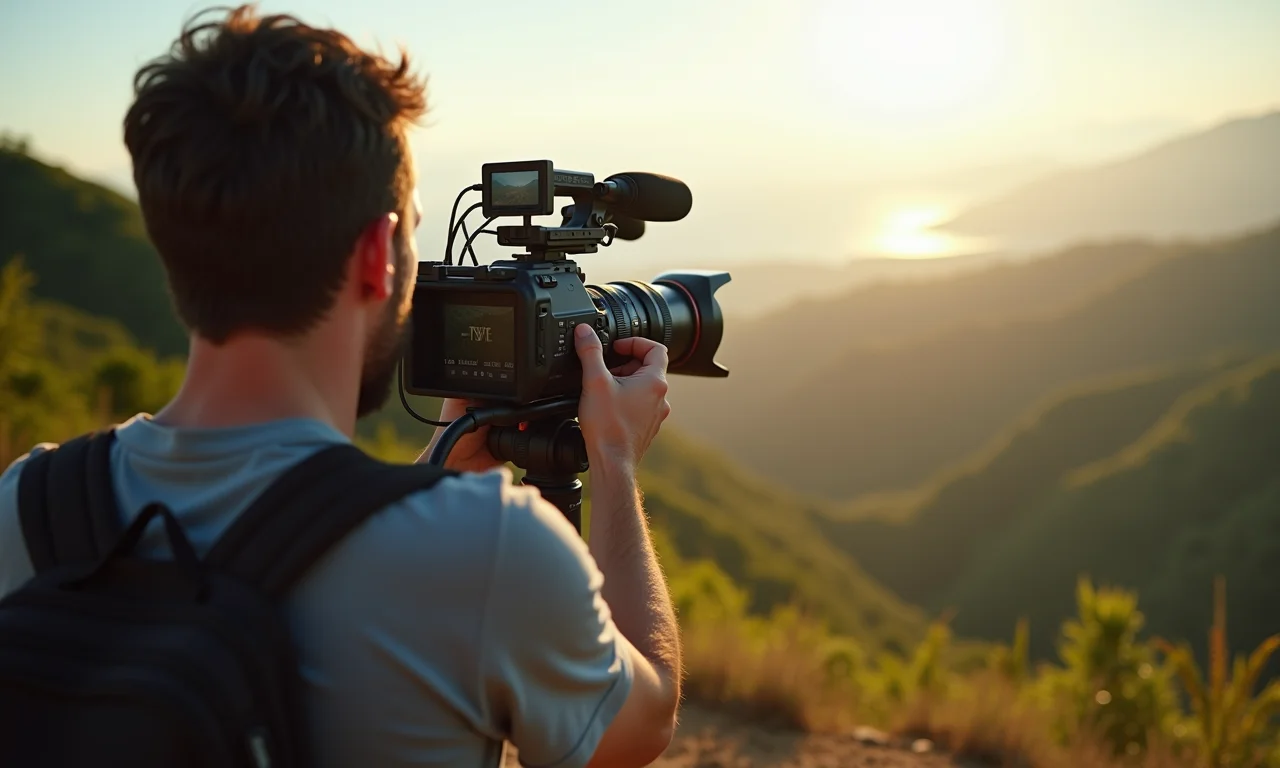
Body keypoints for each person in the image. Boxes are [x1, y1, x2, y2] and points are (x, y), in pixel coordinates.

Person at [0, 5, 681, 767]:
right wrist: (613, 462)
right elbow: (640, 725)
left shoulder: (28, 506)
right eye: (416, 232)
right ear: (378, 254)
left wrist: (427, 480)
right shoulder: (489, 550)